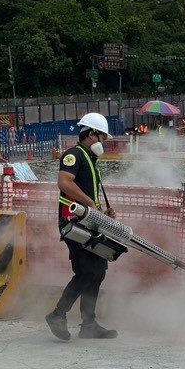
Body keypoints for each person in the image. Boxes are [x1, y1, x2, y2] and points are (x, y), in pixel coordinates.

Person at [46, 113, 118, 342]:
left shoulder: (90, 159)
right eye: (103, 137)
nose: (104, 142)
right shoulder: (74, 155)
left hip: (88, 223)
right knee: (86, 272)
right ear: (91, 134)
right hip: (73, 223)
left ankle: (89, 324)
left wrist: (101, 212)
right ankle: (58, 314)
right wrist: (90, 205)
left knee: (97, 272)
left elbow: (88, 197)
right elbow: (64, 183)